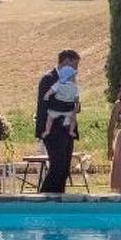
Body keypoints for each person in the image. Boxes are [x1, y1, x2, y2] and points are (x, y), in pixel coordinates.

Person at [35, 49, 82, 194]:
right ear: (66, 62)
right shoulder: (49, 79)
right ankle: (44, 198)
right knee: (57, 166)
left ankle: (59, 198)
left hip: (67, 130)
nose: (76, 69)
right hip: (53, 130)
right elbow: (47, 104)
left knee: (64, 169)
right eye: (75, 65)